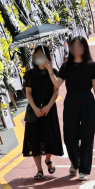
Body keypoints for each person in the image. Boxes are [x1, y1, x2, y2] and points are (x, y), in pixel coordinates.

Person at [50, 37, 95, 181]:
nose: (76, 49)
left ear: (85, 48)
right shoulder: (66, 66)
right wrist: (49, 70)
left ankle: (84, 170)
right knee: (69, 138)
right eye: (73, 46)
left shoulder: (91, 65)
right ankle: (76, 162)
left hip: (87, 101)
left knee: (87, 137)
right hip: (71, 101)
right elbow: (56, 84)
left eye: (79, 46)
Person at [22, 46, 64, 180]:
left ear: (47, 57)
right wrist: (35, 108)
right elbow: (28, 93)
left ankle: (48, 159)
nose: (39, 57)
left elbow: (56, 90)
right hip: (34, 111)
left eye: (41, 54)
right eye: (36, 55)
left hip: (49, 110)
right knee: (34, 140)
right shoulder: (30, 74)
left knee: (49, 139)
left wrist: (48, 107)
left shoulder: (53, 71)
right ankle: (39, 170)